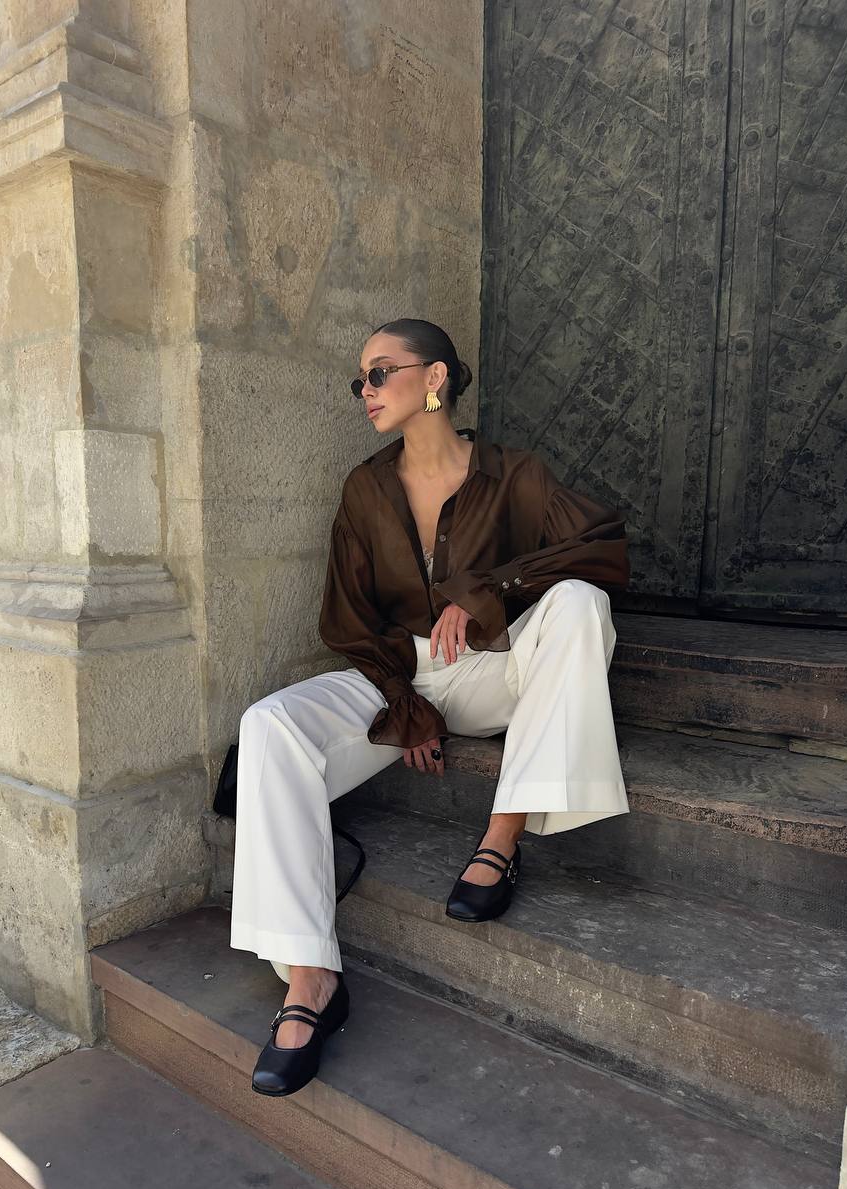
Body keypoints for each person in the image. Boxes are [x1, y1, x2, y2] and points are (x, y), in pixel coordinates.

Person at [230, 318, 630, 1097]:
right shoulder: (365, 487)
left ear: (435, 378)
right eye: (361, 381)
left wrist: (491, 592)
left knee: (581, 603)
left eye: (381, 374)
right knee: (268, 726)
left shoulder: (515, 476)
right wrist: (403, 702)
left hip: (497, 666)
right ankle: (311, 981)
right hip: (400, 675)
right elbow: (347, 619)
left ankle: (502, 838)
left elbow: (601, 548)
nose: (366, 392)